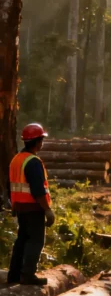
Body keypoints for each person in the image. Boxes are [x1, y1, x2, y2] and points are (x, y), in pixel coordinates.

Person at [8, 123, 56, 286]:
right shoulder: (33, 162)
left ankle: (14, 275)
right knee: (35, 241)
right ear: (37, 142)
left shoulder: (16, 159)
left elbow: (13, 185)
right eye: (41, 140)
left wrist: (14, 204)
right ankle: (28, 275)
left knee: (22, 240)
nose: (42, 143)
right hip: (33, 208)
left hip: (20, 207)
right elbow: (38, 190)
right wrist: (47, 210)